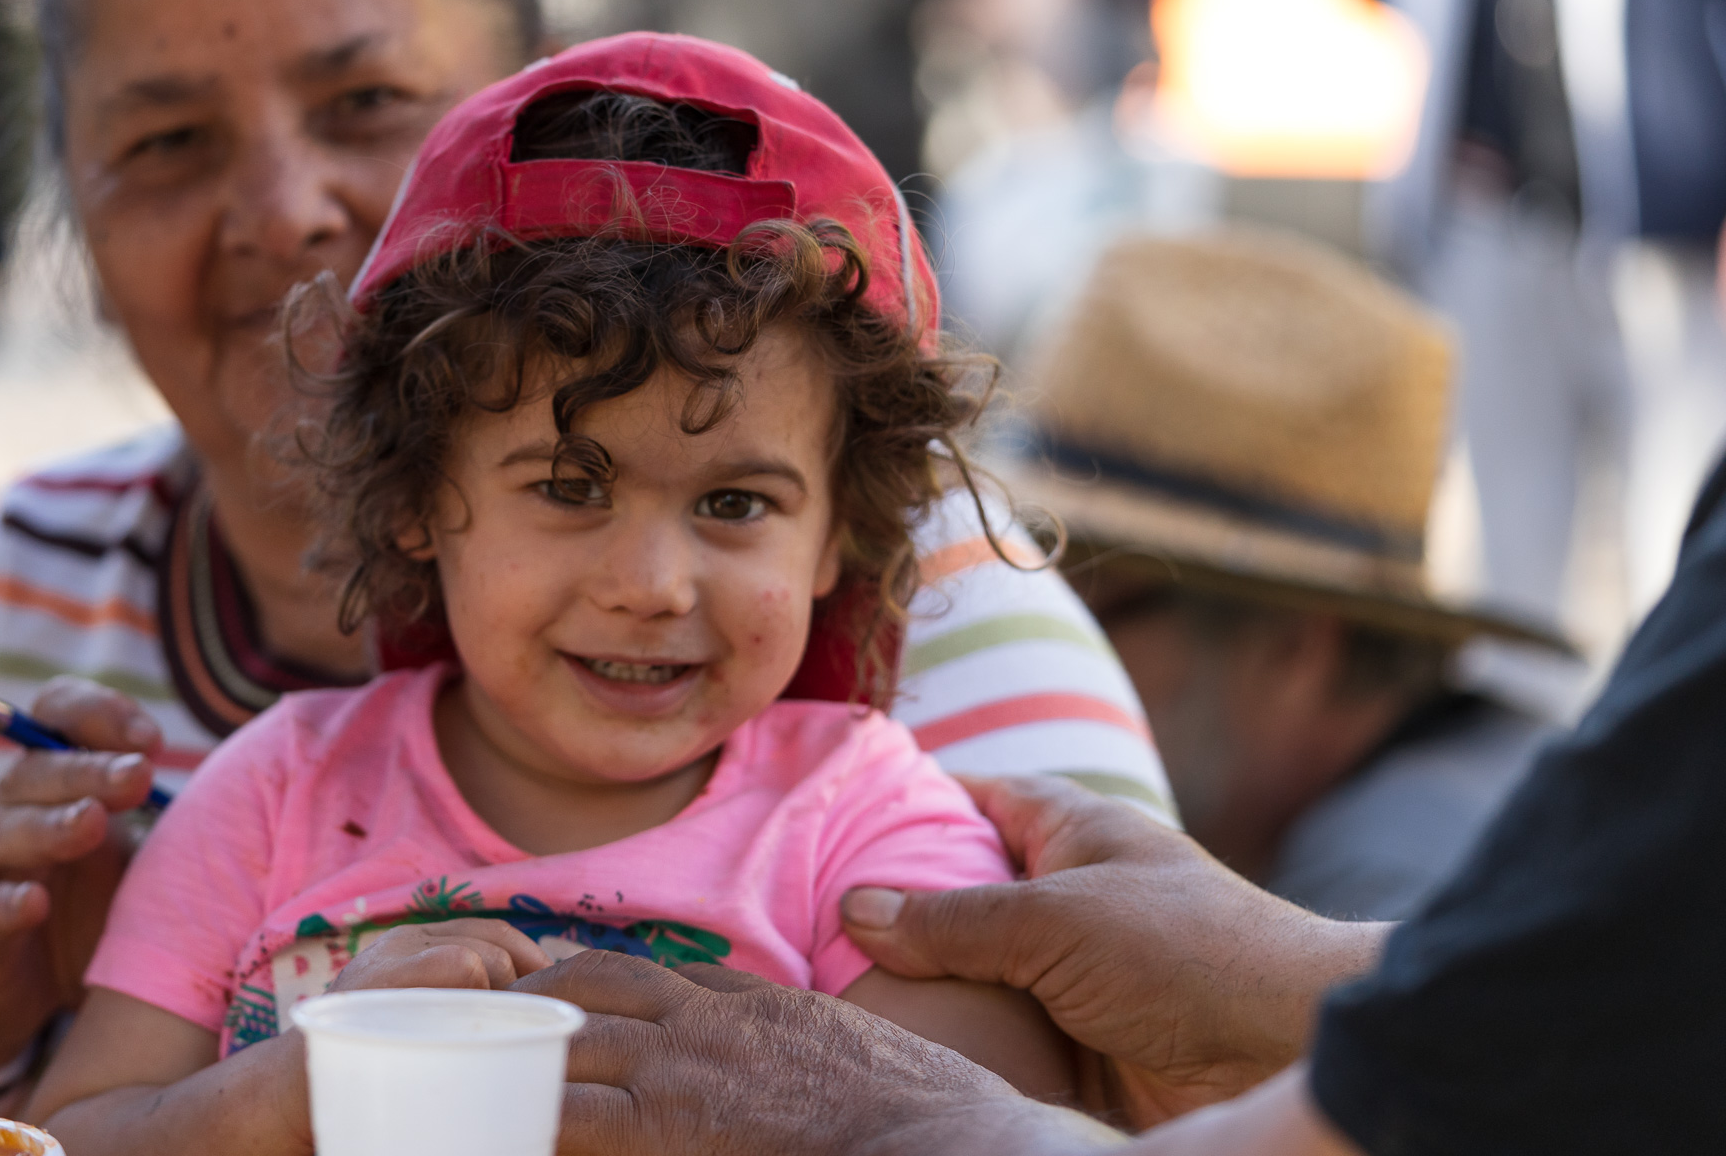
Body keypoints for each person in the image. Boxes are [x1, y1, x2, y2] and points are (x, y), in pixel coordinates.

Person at [0, 0, 1166, 1109]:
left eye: (735, 504)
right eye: (570, 487)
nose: (650, 583)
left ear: (847, 531)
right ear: (413, 498)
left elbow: (988, 1133)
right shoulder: (272, 793)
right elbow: (82, 1131)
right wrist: (305, 1086)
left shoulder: (871, 831)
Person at [518, 438, 1726, 1154]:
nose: (1051, 630)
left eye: (1100, 594)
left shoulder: (1397, 854)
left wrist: (922, 1130)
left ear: (1296, 647)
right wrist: (1271, 979)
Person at [1006, 229, 1566, 918]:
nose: (1019, 655)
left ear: (1293, 648)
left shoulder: (1377, 891)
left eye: (1075, 618)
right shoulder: (1473, 801)